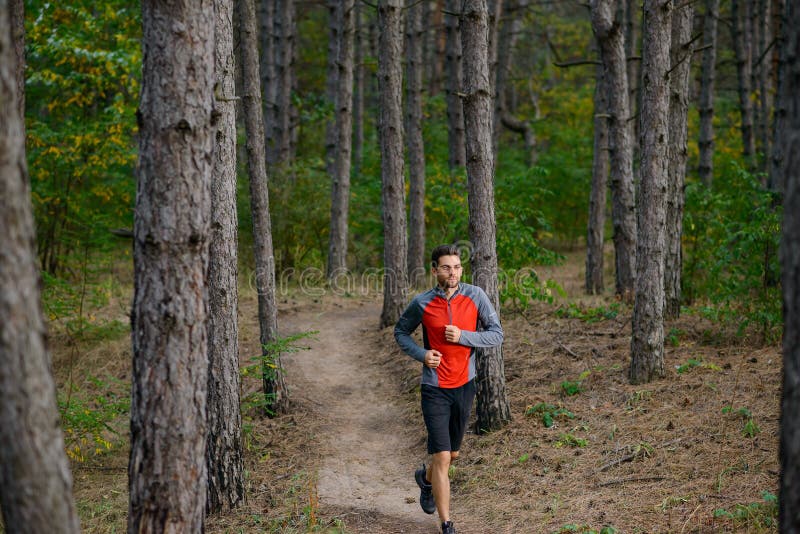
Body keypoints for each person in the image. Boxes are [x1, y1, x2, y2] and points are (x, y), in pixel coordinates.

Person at [394, 244, 504, 534]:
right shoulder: (422, 303)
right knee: (442, 456)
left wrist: (464, 336)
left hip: (464, 385)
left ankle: (426, 479)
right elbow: (400, 332)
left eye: (456, 267)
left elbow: (497, 334)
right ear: (434, 270)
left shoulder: (475, 296)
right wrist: (422, 354)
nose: (452, 272)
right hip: (434, 387)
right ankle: (446, 524)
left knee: (452, 455)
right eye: (446, 267)